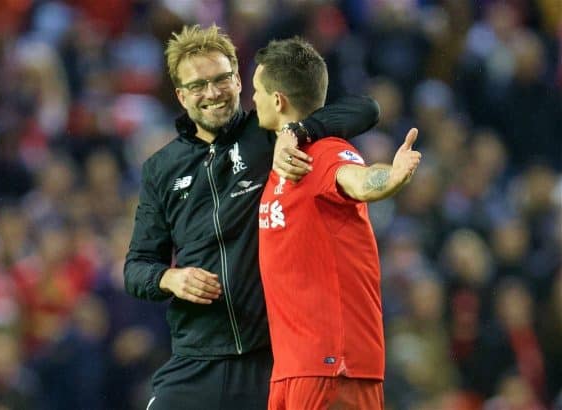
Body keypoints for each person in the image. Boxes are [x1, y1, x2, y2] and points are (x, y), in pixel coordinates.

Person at [123, 25, 380, 410]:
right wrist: (169, 277)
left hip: (269, 358)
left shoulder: (266, 135)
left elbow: (366, 108)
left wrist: (297, 131)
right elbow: (136, 266)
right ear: (180, 95)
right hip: (196, 359)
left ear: (239, 81)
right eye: (197, 85)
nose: (212, 93)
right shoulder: (161, 169)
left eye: (221, 79)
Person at [254, 37, 421, 409]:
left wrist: (388, 180)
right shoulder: (280, 158)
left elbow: (355, 179)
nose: (252, 100)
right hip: (294, 366)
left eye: (256, 91)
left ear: (278, 100)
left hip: (334, 365)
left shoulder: (324, 151)